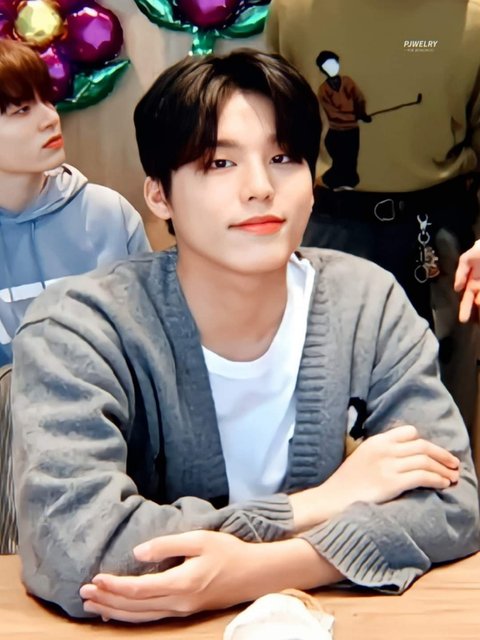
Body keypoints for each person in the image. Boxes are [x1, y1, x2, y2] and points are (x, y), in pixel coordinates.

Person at [11, 49, 479, 623]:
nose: (260, 187)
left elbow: (452, 503)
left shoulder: (365, 301)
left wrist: (257, 570)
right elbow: (75, 547)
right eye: (219, 163)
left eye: (283, 157)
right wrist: (318, 504)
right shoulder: (78, 328)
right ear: (159, 194)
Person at [265, 0, 480, 432]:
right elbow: (276, 132)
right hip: (326, 228)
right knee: (322, 407)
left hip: (440, 234)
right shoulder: (293, 9)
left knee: (440, 418)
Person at [0, 39, 150, 365]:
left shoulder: (108, 215)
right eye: (22, 109)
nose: (50, 118)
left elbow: (150, 349)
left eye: (47, 100)